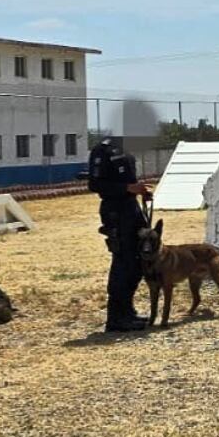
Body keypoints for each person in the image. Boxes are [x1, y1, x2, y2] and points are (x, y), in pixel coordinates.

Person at [88, 133, 152, 332]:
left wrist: (139, 191)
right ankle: (115, 317)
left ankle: (127, 311)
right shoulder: (102, 150)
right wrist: (128, 188)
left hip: (131, 209)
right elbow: (95, 184)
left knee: (138, 261)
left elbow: (128, 182)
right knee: (123, 262)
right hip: (115, 211)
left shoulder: (127, 150)